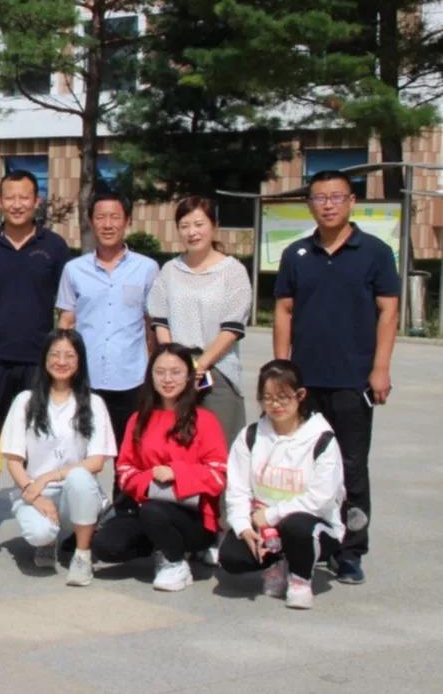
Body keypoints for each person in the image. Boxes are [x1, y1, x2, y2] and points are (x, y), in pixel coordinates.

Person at [274, 169, 399, 585]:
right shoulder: (295, 254)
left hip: (352, 379)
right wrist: (281, 370)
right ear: (309, 204)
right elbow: (284, 312)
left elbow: (388, 311)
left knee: (350, 467)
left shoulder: (375, 252)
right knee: (301, 464)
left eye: (336, 197)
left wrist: (380, 368)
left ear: (351, 202)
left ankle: (350, 551)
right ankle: (309, 543)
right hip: (305, 381)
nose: (328, 205)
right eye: (320, 197)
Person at [0, 170, 71, 531]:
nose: (17, 204)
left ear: (36, 201)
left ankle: (40, 507)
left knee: (39, 436)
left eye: (25, 197)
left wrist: (62, 352)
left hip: (39, 360)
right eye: (10, 197)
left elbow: (67, 305)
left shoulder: (54, 247)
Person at [91, 343, 228, 592]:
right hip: (146, 505)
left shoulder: (205, 420)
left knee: (155, 511)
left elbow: (218, 475)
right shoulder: (138, 419)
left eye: (176, 372)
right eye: (160, 372)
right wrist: (150, 478)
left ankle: (175, 562)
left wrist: (176, 472)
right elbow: (125, 470)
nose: (167, 379)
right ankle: (160, 545)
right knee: (106, 546)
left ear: (189, 376)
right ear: (150, 376)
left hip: (193, 515)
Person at [219, 360, 345, 610]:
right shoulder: (251, 436)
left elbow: (320, 499)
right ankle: (278, 563)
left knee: (296, 526)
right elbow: (237, 490)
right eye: (267, 398)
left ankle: (300, 578)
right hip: (264, 525)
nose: (275, 405)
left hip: (311, 523)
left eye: (283, 398)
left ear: (300, 395)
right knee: (232, 558)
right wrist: (244, 527)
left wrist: (272, 514)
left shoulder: (321, 439)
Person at [1, 329, 116, 587]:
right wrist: (35, 493)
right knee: (39, 533)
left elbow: (96, 462)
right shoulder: (25, 401)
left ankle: (82, 555)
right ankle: (48, 542)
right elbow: (14, 460)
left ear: (80, 361)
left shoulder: (94, 403)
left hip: (76, 495)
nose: (61, 362)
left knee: (80, 477)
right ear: (44, 359)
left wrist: (48, 477)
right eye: (55, 354)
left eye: (69, 355)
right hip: (35, 493)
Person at [57, 190, 159, 455]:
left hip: (131, 378)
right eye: (101, 217)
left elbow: (152, 326)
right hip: (84, 378)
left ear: (127, 221)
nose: (108, 224)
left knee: (128, 455)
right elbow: (66, 321)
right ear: (91, 221)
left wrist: (154, 371)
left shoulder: (147, 268)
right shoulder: (74, 269)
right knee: (78, 454)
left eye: (115, 217)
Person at [147, 196, 252, 445]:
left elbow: (232, 327)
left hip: (217, 368)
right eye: (184, 226)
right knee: (175, 443)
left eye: (199, 224)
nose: (192, 232)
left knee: (220, 445)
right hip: (176, 370)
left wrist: (200, 366)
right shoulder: (170, 270)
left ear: (214, 226)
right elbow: (160, 320)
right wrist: (173, 363)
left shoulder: (233, 271)